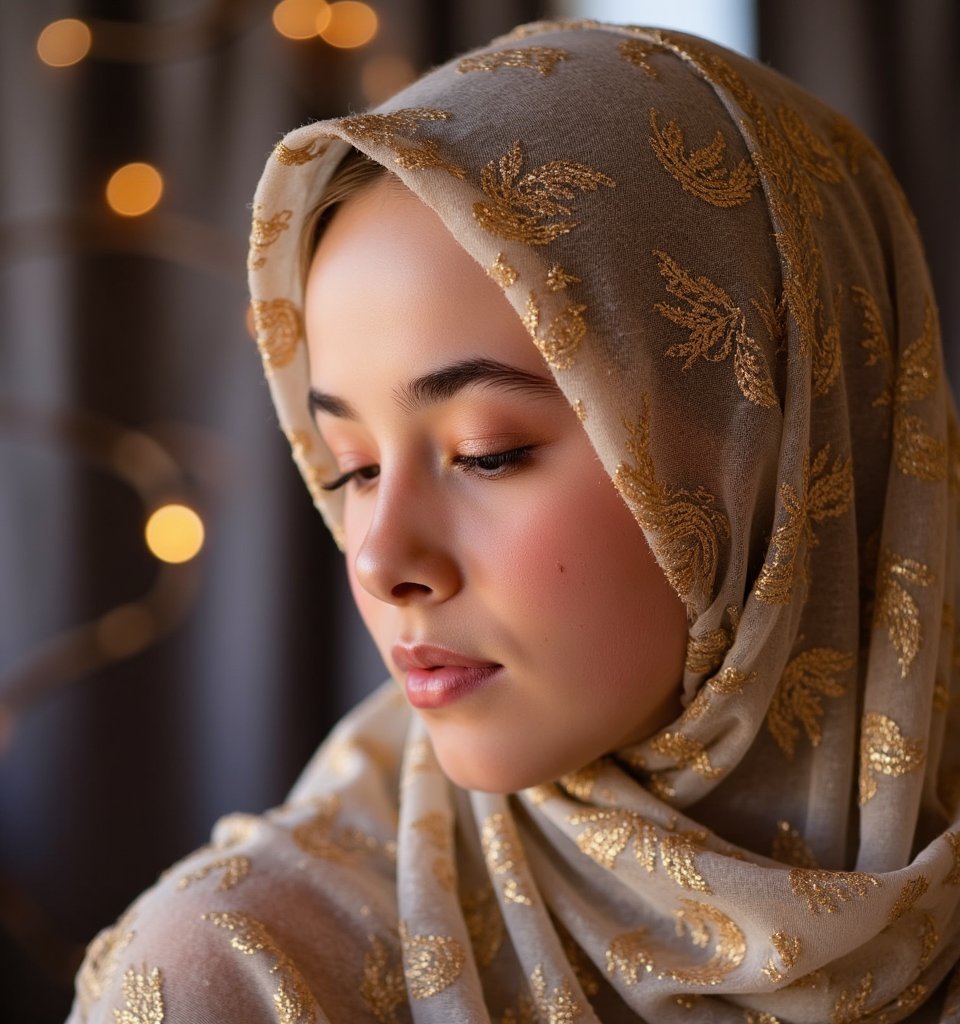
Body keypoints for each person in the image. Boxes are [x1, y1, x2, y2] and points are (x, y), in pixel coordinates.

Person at [67, 19, 960, 1023]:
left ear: (781, 450)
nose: (378, 557)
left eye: (485, 452)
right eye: (351, 467)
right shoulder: (235, 976)